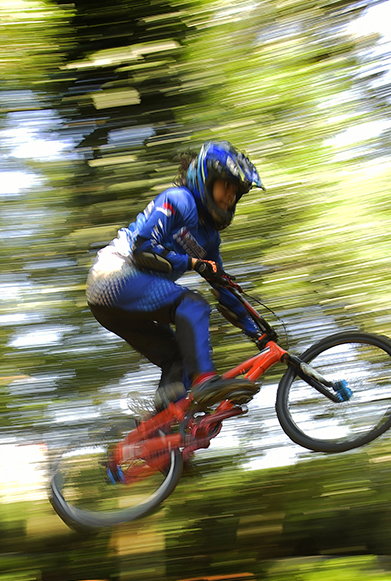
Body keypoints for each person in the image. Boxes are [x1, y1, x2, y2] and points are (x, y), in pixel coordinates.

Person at [85, 141, 268, 414]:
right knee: (192, 304)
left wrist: (259, 334)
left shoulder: (208, 238)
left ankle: (162, 432)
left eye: (236, 192)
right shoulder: (180, 200)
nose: (230, 196)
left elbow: (222, 287)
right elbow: (144, 249)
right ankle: (205, 381)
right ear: (207, 178)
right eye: (226, 185)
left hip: (118, 304)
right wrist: (192, 262)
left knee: (179, 358)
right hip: (112, 276)